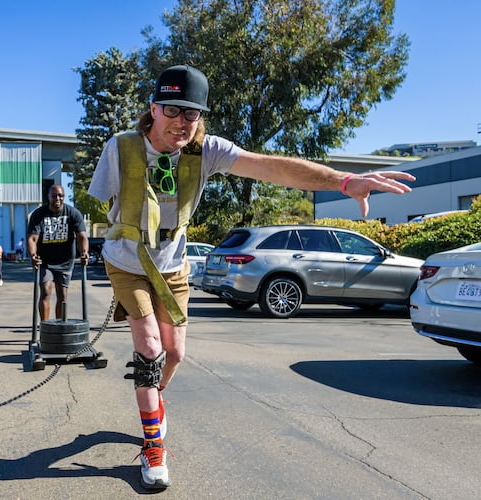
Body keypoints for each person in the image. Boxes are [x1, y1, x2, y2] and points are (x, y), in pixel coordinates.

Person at [87, 64, 416, 490]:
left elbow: (272, 167)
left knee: (174, 352)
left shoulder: (206, 151)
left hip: (174, 263)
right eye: (172, 110)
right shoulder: (121, 147)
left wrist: (344, 180)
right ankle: (153, 447)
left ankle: (156, 398)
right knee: (148, 346)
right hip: (128, 260)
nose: (181, 122)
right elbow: (99, 207)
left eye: (192, 114)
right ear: (153, 108)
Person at [27, 184, 89, 320]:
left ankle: (60, 328)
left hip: (65, 261)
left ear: (64, 197)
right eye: (54, 196)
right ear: (48, 197)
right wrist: (33, 255)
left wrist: (84, 252)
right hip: (45, 261)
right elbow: (32, 238)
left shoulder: (73, 213)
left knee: (63, 296)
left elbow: (82, 236)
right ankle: (45, 328)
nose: (57, 198)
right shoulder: (39, 215)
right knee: (45, 292)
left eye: (60, 195)